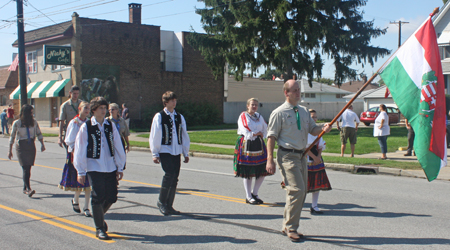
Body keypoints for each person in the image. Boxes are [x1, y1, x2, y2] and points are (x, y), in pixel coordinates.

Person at [266, 80, 332, 242]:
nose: (298, 93)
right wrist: (269, 160)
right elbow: (271, 137)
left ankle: (287, 225)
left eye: (298, 90)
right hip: (287, 155)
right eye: (294, 90)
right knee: (297, 190)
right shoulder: (278, 113)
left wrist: (323, 128)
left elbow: (313, 130)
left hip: (302, 155)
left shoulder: (303, 111)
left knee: (299, 193)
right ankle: (291, 228)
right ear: (286, 93)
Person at [73, 97, 126, 240]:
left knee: (111, 197)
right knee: (97, 196)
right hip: (93, 166)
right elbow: (80, 149)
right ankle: (99, 228)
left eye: (105, 108)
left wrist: (120, 167)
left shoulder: (110, 125)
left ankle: (98, 216)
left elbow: (118, 146)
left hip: (110, 166)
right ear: (94, 110)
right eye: (101, 108)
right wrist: (81, 170)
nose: (104, 111)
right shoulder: (87, 127)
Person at [149, 91, 190, 216]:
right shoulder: (160, 116)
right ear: (166, 102)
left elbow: (184, 135)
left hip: (176, 150)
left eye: (175, 100)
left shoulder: (179, 116)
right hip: (165, 150)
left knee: (175, 177)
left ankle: (169, 204)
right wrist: (155, 153)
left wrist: (185, 151)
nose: (174, 102)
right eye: (172, 100)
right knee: (169, 174)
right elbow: (155, 135)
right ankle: (161, 202)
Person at [234, 98, 271, 205]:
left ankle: (255, 193)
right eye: (252, 105)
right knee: (248, 171)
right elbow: (246, 130)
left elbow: (265, 128)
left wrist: (262, 134)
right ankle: (248, 196)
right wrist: (257, 134)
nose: (254, 107)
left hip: (259, 144)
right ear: (247, 106)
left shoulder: (259, 116)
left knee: (263, 169)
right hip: (247, 144)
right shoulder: (243, 116)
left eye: (256, 105)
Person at [59, 101, 92, 217]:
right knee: (80, 179)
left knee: (89, 182)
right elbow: (69, 140)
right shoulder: (74, 123)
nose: (87, 110)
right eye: (85, 108)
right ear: (79, 109)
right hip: (76, 153)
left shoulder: (89, 123)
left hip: (88, 154)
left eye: (89, 108)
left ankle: (86, 207)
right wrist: (73, 152)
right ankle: (76, 199)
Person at [8, 104, 46, 197]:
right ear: (25, 113)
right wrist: (10, 150)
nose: (32, 114)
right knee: (25, 167)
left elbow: (38, 133)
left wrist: (42, 144)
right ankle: (29, 189)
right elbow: (12, 136)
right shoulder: (17, 123)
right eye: (30, 112)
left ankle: (25, 188)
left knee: (28, 168)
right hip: (21, 146)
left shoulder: (34, 122)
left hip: (31, 146)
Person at [306, 109, 332, 214]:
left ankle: (314, 205)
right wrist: (314, 157)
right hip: (306, 159)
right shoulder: (304, 131)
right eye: (312, 117)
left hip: (317, 158)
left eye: (315, 117)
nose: (315, 119)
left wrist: (318, 157)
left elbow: (320, 145)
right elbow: (304, 147)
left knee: (317, 184)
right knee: (304, 184)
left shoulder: (318, 131)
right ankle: (298, 204)